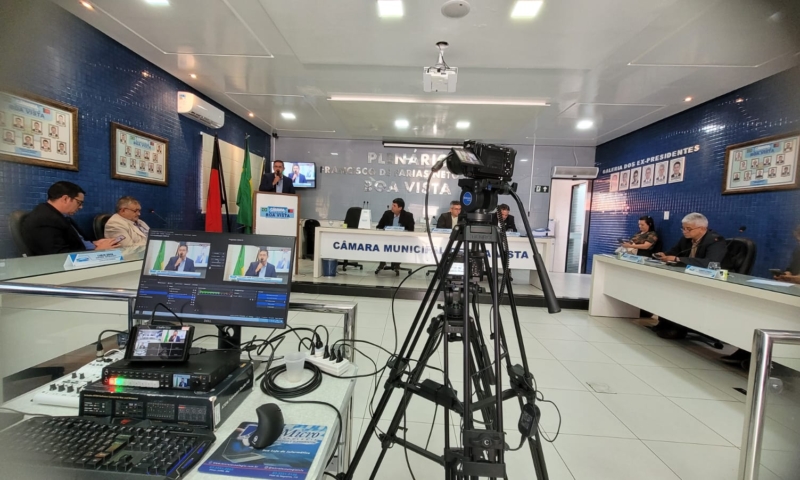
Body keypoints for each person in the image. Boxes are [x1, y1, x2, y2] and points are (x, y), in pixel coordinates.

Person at [22, 181, 120, 255]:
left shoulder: (58, 216)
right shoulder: (45, 219)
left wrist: (94, 243)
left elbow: (73, 242)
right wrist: (97, 251)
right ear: (65, 199)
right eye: (79, 203)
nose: (81, 207)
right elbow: (59, 256)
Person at [376, 198, 415, 273]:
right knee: (382, 243)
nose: (392, 207)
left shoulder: (408, 216)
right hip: (387, 238)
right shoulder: (387, 214)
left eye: (394, 206)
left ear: (400, 208)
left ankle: (396, 264)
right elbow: (379, 226)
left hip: (401, 239)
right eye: (392, 205)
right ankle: (382, 263)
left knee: (399, 245)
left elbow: (411, 230)